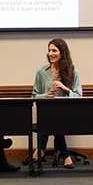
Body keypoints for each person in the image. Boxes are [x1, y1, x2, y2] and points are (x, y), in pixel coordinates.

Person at [32, 38, 82, 169]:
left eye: (54, 50)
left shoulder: (73, 72)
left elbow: (79, 96)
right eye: (49, 50)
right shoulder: (41, 72)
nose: (50, 54)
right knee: (51, 116)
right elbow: (34, 96)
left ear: (62, 53)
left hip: (67, 114)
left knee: (55, 118)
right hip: (45, 114)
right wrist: (46, 95)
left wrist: (64, 88)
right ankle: (66, 155)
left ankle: (41, 149)